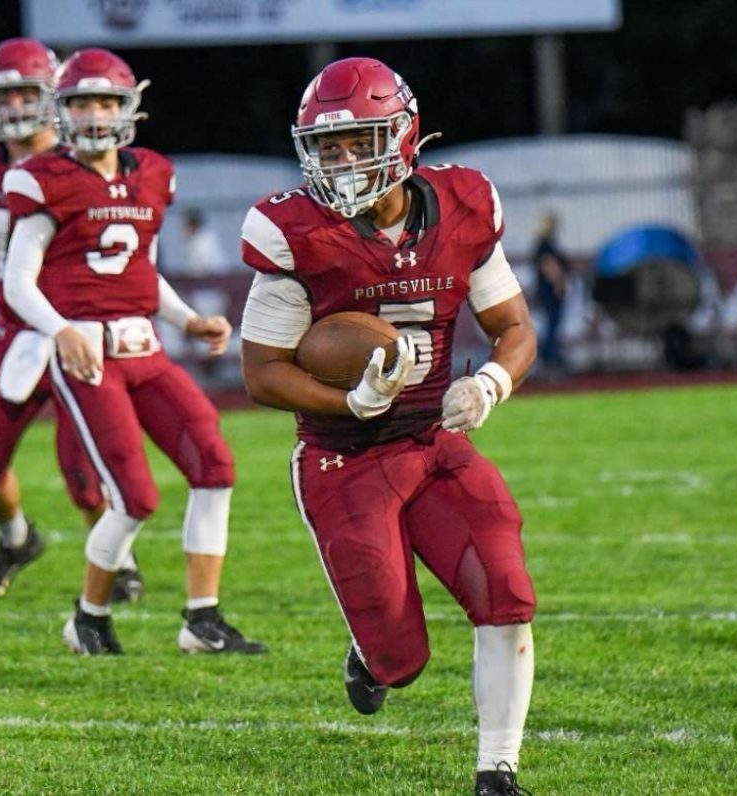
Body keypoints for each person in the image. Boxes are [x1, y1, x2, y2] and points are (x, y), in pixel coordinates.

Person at [240, 57, 537, 795]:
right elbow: (262, 372)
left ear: (403, 137)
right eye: (327, 148)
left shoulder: (463, 206)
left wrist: (490, 384)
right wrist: (347, 403)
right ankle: (370, 657)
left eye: (358, 143)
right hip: (345, 459)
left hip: (435, 442)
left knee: (504, 585)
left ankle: (496, 774)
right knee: (400, 661)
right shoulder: (296, 230)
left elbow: (515, 328)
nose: (341, 163)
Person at [2, 48, 264, 656]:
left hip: (146, 346)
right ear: (61, 111)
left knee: (214, 465)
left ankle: (203, 618)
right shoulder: (44, 178)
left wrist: (187, 318)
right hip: (88, 350)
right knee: (136, 496)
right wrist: (60, 328)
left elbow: (138, 268)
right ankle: (88, 618)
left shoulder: (150, 173)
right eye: (81, 103)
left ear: (129, 108)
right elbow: (18, 280)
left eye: (106, 102)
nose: (95, 115)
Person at [0, 38, 144, 602]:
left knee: (84, 472)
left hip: (81, 328)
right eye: (6, 94)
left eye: (29, 93)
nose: (18, 106)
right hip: (16, 330)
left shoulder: (89, 159)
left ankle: (117, 561)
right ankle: (16, 539)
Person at [532, 211, 571, 378]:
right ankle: (549, 360)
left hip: (545, 291)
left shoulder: (541, 244)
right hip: (550, 292)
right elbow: (550, 267)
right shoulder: (546, 245)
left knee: (551, 326)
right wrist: (559, 284)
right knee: (552, 327)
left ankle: (547, 359)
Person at [179, 208, 225, 275]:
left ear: (191, 225)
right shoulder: (194, 241)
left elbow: (202, 268)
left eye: (183, 227)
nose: (181, 231)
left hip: (212, 280)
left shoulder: (204, 241)